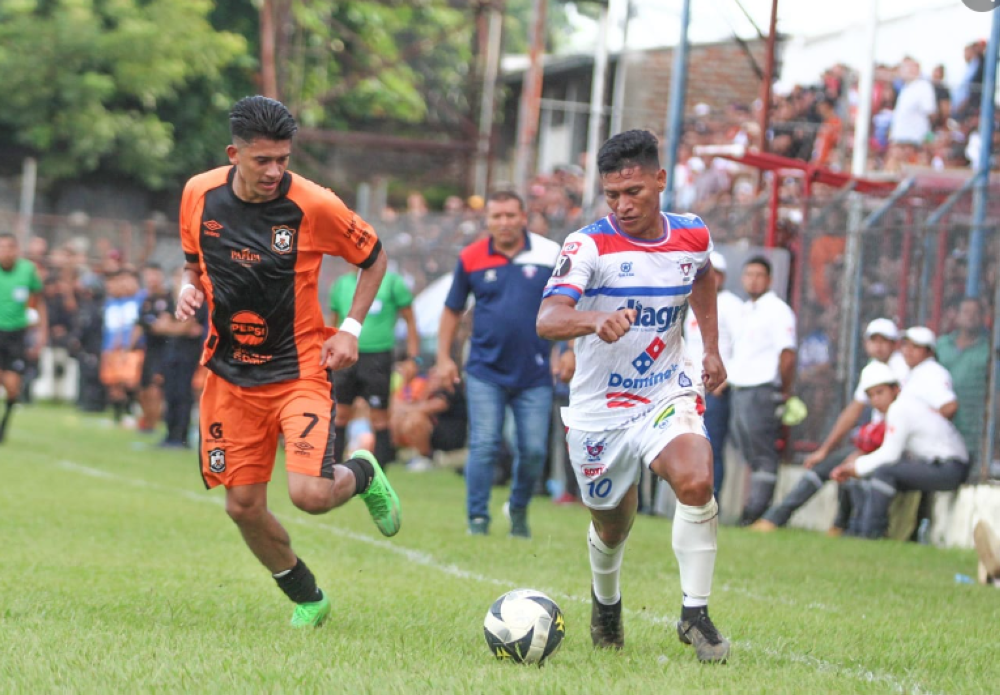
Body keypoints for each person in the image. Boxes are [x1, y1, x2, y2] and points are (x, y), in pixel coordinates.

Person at [173, 95, 401, 628]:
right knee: (242, 507)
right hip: (230, 377)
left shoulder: (315, 203)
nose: (276, 171)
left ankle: (363, 474)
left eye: (284, 159)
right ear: (234, 154)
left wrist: (349, 329)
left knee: (311, 495)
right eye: (263, 160)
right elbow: (191, 264)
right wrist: (185, 290)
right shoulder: (197, 194)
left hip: (299, 371)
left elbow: (374, 257)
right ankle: (308, 597)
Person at [536, 129, 730, 663]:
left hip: (665, 389)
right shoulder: (588, 245)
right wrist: (594, 318)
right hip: (599, 409)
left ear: (661, 181)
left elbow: (704, 277)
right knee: (611, 522)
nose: (623, 206)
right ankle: (606, 602)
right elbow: (548, 319)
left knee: (696, 477)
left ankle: (695, 613)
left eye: (635, 192)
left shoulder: (691, 234)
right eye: (613, 195)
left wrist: (709, 348)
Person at [436, 190, 560, 538]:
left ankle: (517, 509)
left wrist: (569, 351)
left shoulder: (551, 254)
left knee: (533, 449)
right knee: (485, 444)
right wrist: (444, 358)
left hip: (535, 371)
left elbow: (569, 304)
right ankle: (477, 520)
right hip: (484, 369)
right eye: (497, 216)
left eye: (510, 215)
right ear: (487, 220)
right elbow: (452, 310)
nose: (503, 222)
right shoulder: (471, 257)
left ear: (524, 217)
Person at [750, 318, 908, 533]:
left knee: (840, 466)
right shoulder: (873, 368)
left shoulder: (901, 369)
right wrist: (824, 450)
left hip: (895, 444)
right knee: (829, 464)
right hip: (878, 441)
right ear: (866, 344)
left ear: (895, 344)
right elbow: (852, 411)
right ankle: (823, 524)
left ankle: (781, 519)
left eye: (885, 341)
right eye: (874, 340)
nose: (879, 346)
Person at [830, 361, 968, 539]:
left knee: (884, 472)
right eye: (871, 396)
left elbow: (890, 454)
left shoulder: (900, 408)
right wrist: (857, 467)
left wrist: (855, 467)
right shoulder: (904, 405)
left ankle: (870, 533)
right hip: (939, 466)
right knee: (875, 473)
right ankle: (859, 528)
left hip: (949, 468)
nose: (876, 400)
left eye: (880, 392)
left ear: (895, 389)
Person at [727, 256, 797, 526]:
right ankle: (753, 507)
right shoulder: (745, 309)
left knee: (763, 453)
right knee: (749, 450)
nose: (753, 280)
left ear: (769, 280)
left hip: (762, 388)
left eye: (759, 275)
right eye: (748, 274)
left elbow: (787, 354)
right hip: (740, 387)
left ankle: (757, 511)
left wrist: (784, 389)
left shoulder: (778, 310)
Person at [328, 262, 419, 468]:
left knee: (379, 417)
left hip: (377, 356)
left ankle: (379, 473)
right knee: (340, 414)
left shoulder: (392, 282)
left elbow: (411, 320)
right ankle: (333, 470)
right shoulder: (341, 284)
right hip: (346, 355)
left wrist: (414, 358)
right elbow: (332, 323)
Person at [682, 250, 740, 503]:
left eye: (713, 272)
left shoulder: (732, 306)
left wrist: (727, 379)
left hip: (715, 387)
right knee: (688, 444)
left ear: (722, 276)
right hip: (688, 386)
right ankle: (689, 497)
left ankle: (710, 499)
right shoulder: (691, 303)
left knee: (711, 445)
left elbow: (743, 346)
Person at [0, 233, 47, 443]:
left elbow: (38, 299)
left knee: (12, 386)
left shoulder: (27, 270)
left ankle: (4, 423)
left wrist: (41, 331)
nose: (5, 253)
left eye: (9, 248)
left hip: (16, 333)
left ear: (16, 250)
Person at [936, 298, 990, 472]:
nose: (971, 317)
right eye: (966, 312)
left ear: (983, 317)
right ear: (957, 316)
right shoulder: (941, 345)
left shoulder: (989, 348)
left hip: (975, 423)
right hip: (941, 421)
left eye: (976, 313)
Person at [132, 263, 172, 432]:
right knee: (142, 389)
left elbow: (164, 325)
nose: (151, 279)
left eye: (154, 275)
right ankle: (147, 421)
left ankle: (153, 425)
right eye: (148, 276)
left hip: (164, 349)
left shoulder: (168, 299)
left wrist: (156, 325)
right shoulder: (146, 300)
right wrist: (130, 345)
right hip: (148, 349)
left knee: (155, 388)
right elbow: (140, 324)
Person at [899, 326, 957, 419]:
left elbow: (950, 406)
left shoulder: (934, 372)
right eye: (906, 344)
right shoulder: (914, 370)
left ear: (930, 352)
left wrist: (925, 427)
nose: (908, 350)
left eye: (915, 346)